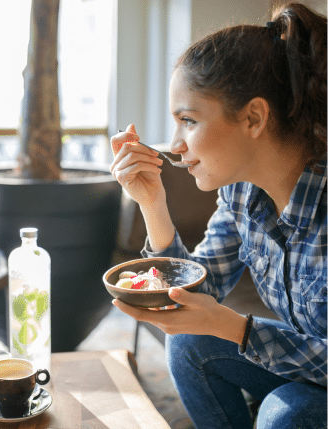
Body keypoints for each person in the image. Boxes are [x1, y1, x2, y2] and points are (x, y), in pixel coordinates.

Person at [110, 2, 327, 428]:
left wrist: (240, 330)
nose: (175, 145)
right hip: (308, 371)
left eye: (188, 120)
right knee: (189, 340)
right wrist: (153, 204)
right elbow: (197, 289)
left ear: (253, 118)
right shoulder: (241, 194)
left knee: (288, 412)